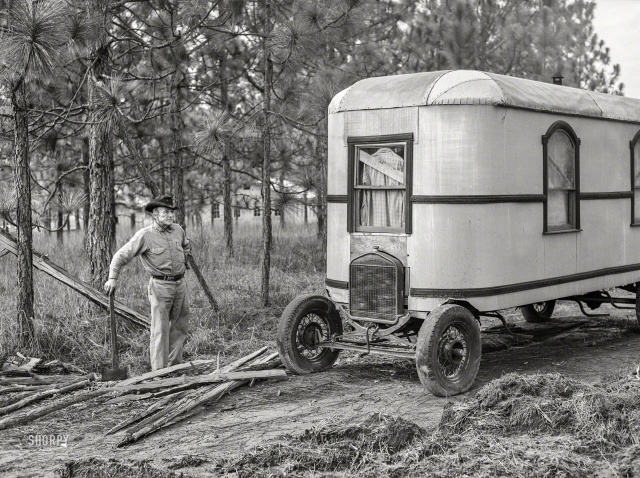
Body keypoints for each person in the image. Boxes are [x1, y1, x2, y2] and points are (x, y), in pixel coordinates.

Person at [104, 195, 191, 370]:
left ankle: (175, 367)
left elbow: (186, 245)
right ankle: (159, 372)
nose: (170, 215)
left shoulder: (178, 230)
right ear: (155, 215)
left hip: (180, 285)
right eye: (166, 212)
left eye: (171, 212)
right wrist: (113, 278)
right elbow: (121, 255)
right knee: (160, 329)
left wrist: (184, 260)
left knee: (180, 327)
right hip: (160, 287)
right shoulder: (145, 235)